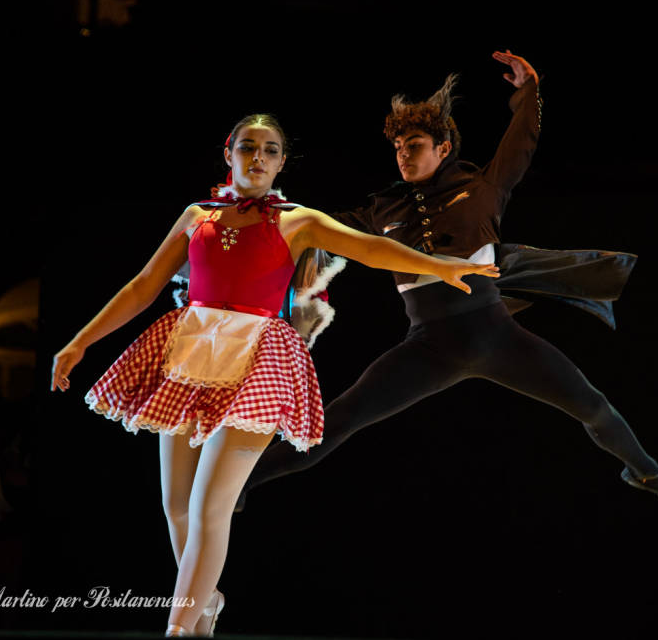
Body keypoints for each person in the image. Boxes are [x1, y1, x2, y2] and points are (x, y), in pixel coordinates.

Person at [49, 114, 499, 637]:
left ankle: (177, 630)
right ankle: (206, 603)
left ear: (282, 161)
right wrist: (80, 339)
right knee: (176, 507)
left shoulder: (297, 220)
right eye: (247, 148)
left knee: (208, 507)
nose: (257, 158)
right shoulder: (197, 216)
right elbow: (145, 283)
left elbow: (369, 248)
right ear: (229, 154)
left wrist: (441, 265)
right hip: (190, 353)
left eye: (269, 150)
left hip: (258, 358)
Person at [237, 50, 658, 514]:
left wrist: (529, 91)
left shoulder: (483, 187)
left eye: (414, 145)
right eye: (397, 148)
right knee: (342, 417)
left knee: (592, 404)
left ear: (443, 148)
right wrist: (262, 212)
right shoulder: (383, 209)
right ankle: (240, 487)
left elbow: (521, 142)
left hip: (497, 337)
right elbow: (314, 227)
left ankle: (648, 471)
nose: (403, 155)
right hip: (429, 348)